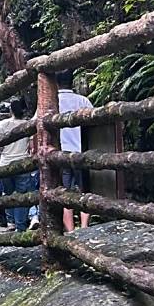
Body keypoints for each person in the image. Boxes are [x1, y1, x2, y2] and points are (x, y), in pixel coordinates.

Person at [0, 97, 38, 232]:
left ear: (11, 110)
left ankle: (11, 221)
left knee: (8, 193)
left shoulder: (3, 124)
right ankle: (20, 225)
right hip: (22, 163)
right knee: (21, 194)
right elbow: (32, 147)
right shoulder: (28, 124)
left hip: (5, 162)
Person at [56, 71, 95, 228]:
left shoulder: (50, 101)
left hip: (60, 154)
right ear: (72, 82)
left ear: (56, 83)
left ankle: (71, 230)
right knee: (84, 190)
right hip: (80, 151)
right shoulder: (82, 100)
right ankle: (84, 227)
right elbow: (95, 119)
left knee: (65, 192)